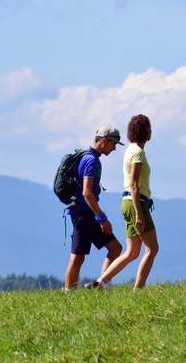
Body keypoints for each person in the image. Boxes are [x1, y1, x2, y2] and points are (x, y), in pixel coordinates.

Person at [86, 114, 159, 290]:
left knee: (132, 252)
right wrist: (139, 214)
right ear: (146, 131)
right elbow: (134, 184)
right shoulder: (138, 153)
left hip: (126, 202)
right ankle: (138, 289)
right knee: (152, 249)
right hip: (136, 203)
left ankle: (101, 282)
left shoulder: (129, 150)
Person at [63, 125, 124, 290]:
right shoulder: (91, 160)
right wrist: (102, 218)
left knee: (115, 248)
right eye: (114, 144)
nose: (115, 148)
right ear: (104, 140)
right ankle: (68, 296)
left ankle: (100, 286)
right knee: (77, 258)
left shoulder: (90, 158)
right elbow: (87, 192)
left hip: (89, 214)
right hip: (83, 215)